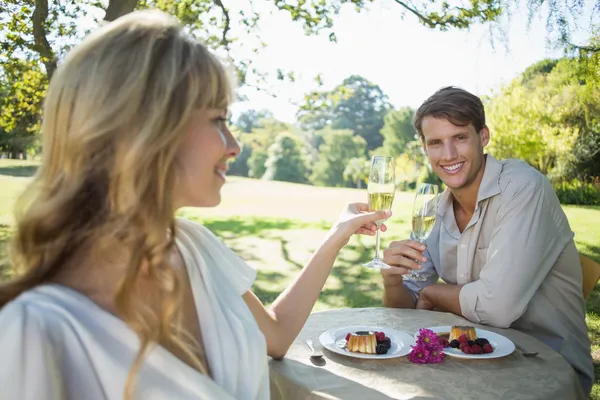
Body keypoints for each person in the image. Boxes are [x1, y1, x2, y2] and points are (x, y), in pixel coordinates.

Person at [0, 10, 392, 400]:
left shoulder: (194, 247)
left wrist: (335, 237)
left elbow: (276, 335)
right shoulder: (36, 332)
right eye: (218, 120)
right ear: (146, 130)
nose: (235, 145)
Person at [380, 86, 594, 395]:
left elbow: (497, 308)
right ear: (425, 149)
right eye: (436, 143)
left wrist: (433, 291)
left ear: (483, 137)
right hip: (471, 361)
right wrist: (391, 282)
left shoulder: (522, 188)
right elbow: (407, 312)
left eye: (460, 138)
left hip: (544, 370)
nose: (449, 155)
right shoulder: (431, 210)